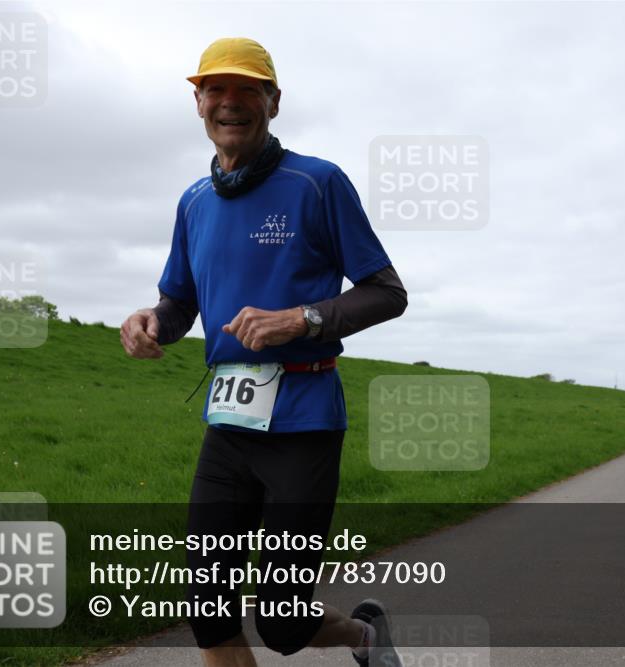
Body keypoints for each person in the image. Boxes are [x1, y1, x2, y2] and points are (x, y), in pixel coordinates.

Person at [120, 37, 407, 667]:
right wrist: (152, 322)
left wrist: (301, 319)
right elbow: (180, 302)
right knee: (207, 609)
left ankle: (364, 636)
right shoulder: (193, 201)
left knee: (281, 623)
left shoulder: (317, 182)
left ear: (273, 102)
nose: (231, 101)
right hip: (228, 426)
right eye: (216, 89)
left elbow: (387, 293)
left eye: (248, 89)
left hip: (304, 422)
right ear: (198, 102)